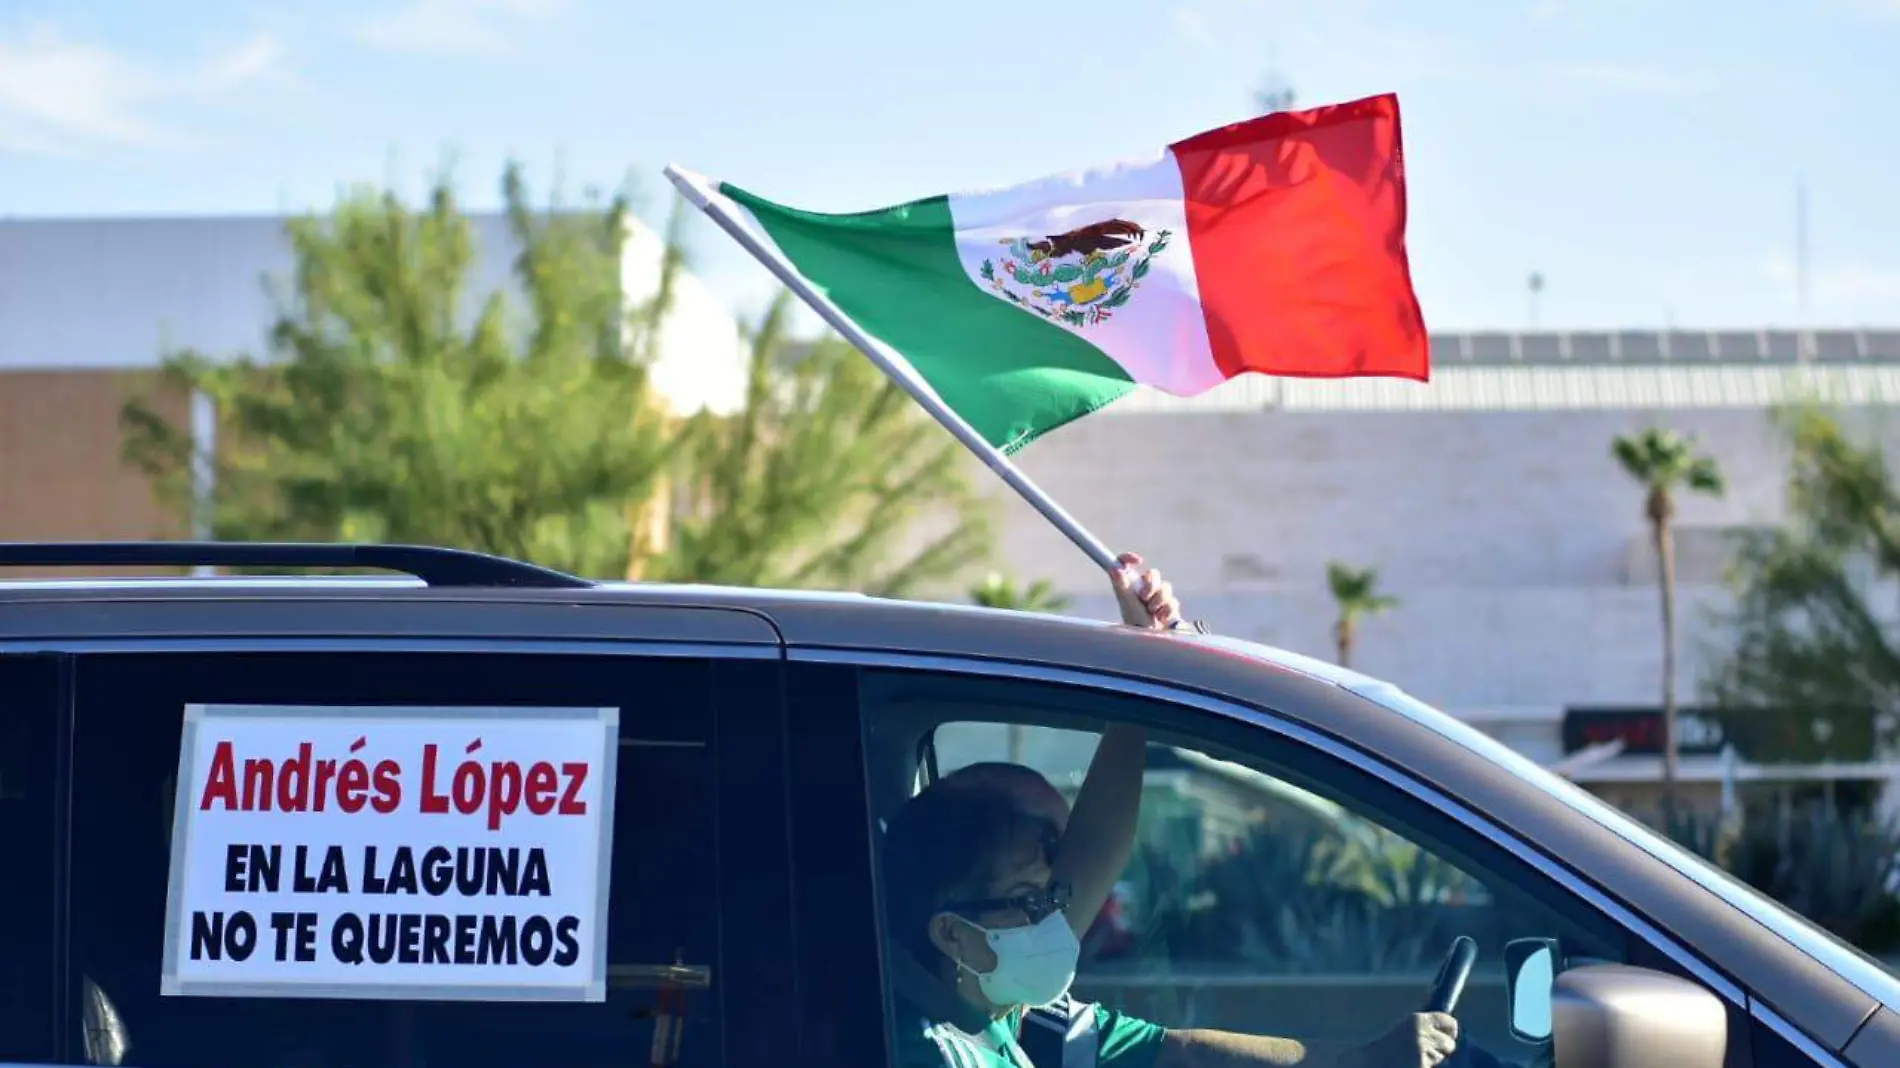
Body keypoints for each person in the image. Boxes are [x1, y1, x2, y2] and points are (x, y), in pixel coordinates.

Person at [879, 555, 1462, 1068]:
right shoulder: (928, 1051)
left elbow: (1180, 1052)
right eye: (1034, 899)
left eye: (1055, 893)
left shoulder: (993, 1007)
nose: (1059, 914)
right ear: (952, 933)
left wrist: (1143, 662)